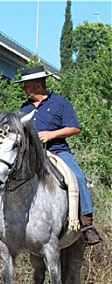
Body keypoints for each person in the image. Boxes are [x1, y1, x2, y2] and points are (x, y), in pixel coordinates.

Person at [15, 65, 101, 245]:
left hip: (57, 151)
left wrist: (51, 134)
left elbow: (75, 128)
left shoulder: (61, 103)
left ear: (38, 86)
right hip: (31, 153)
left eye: (26, 85)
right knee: (7, 175)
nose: (23, 88)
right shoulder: (24, 108)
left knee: (77, 177)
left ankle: (87, 223)